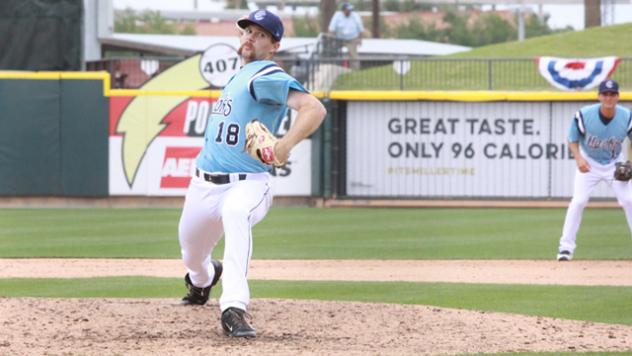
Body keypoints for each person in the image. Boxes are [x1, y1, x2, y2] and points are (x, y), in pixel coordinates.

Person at [177, 9, 326, 338]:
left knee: (235, 214)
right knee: (191, 255)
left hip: (247, 184)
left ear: (274, 45)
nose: (249, 37)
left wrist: (285, 145)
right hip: (203, 184)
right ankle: (204, 281)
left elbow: (314, 108)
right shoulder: (239, 75)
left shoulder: (264, 75)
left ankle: (233, 308)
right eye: (246, 31)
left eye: (259, 34)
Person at [557, 79, 632, 261]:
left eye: (612, 94)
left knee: (629, 200)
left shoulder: (627, 116)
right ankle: (565, 248)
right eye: (605, 94)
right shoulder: (584, 115)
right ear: (599, 96)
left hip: (615, 163)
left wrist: (629, 162)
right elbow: (572, 139)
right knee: (578, 201)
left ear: (617, 97)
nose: (608, 97)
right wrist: (579, 158)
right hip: (589, 163)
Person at [327, 2, 364, 70]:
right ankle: (333, 68)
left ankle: (355, 71)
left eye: (350, 10)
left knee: (353, 56)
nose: (349, 11)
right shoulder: (337, 15)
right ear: (343, 10)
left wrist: (360, 39)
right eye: (348, 10)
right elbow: (331, 28)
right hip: (339, 39)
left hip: (352, 39)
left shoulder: (355, 16)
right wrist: (330, 39)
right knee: (334, 54)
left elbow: (360, 28)